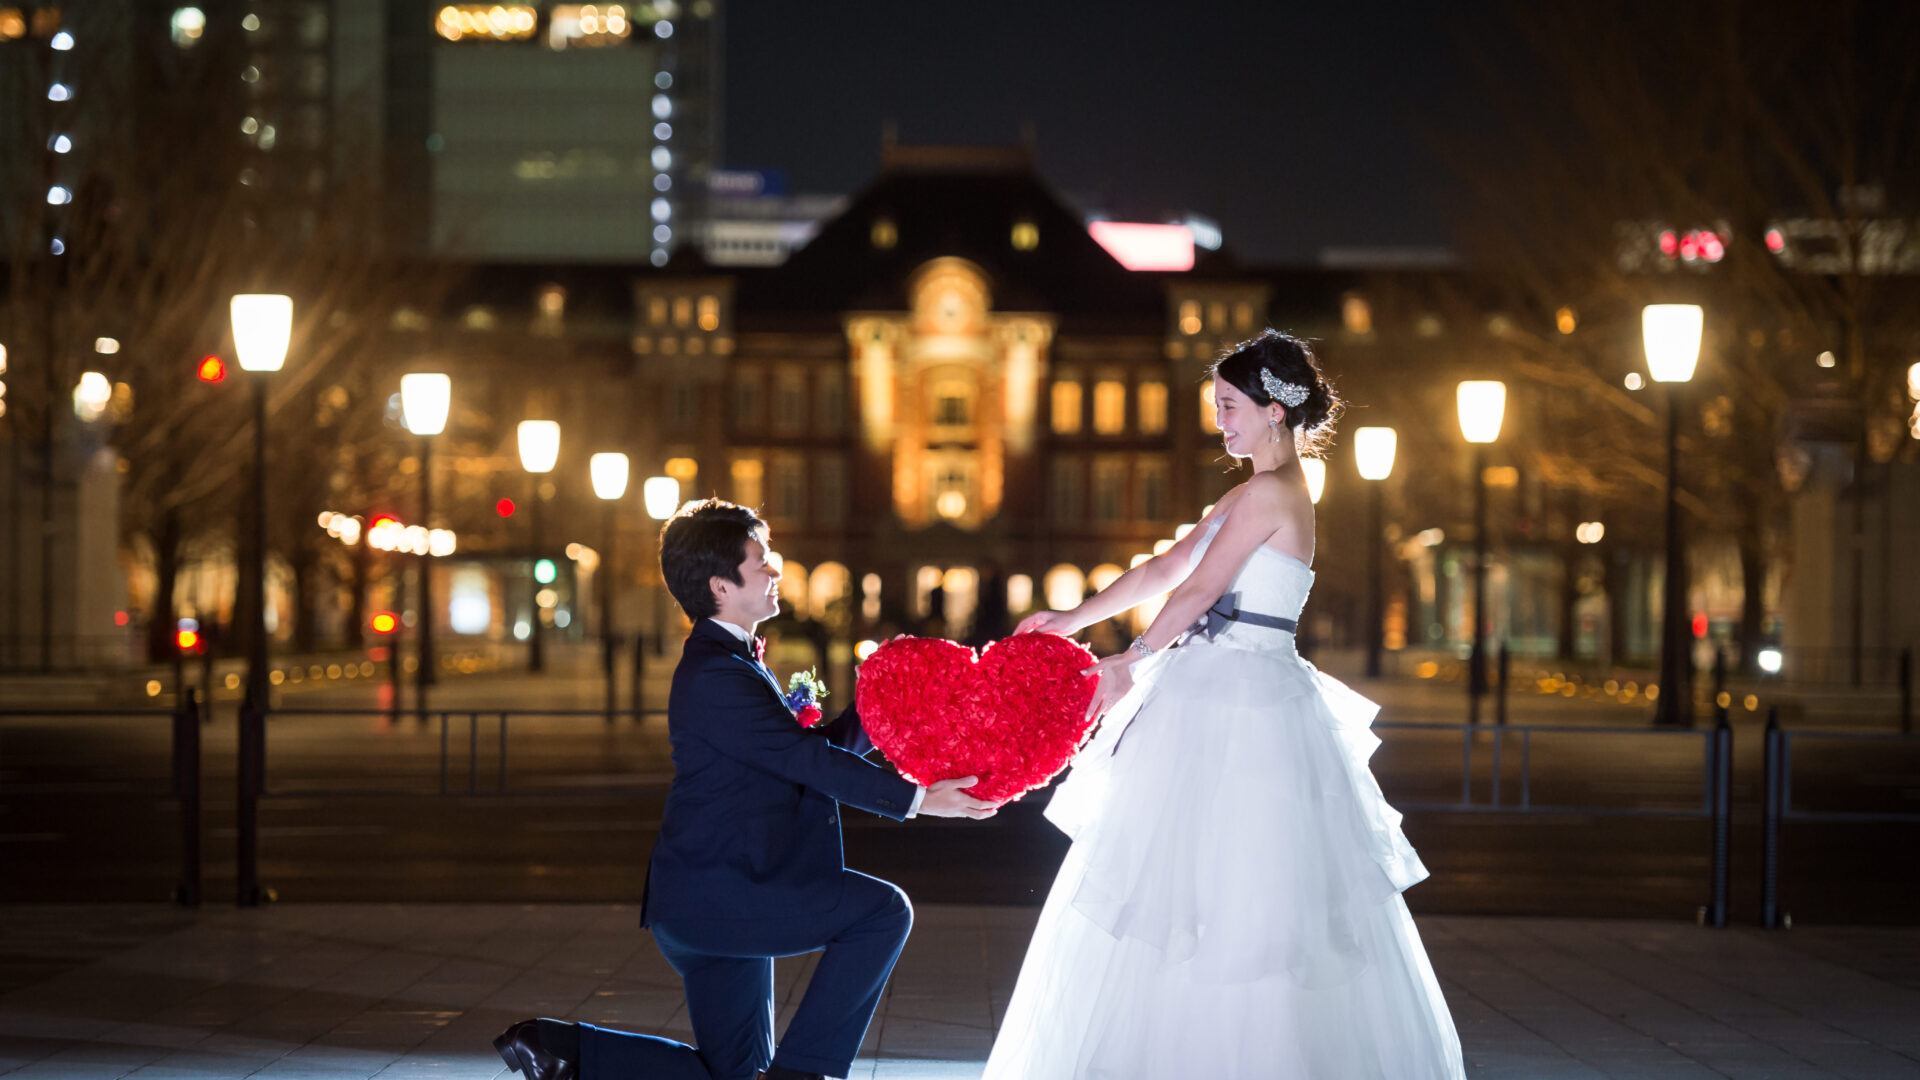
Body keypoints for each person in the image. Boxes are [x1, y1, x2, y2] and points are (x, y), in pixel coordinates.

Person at [984, 330, 1466, 1079]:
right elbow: (1168, 566)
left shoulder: (1275, 492)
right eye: (1218, 407)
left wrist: (1131, 663)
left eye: (1231, 406)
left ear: (1276, 411)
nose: (1221, 422)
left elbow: (1201, 591)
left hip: (1245, 699)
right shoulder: (1249, 491)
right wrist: (1070, 620)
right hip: (1213, 688)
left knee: (1235, 879)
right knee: (1187, 875)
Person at [495, 499, 1000, 1080]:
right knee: (883, 912)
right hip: (724, 896)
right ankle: (804, 1075)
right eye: (761, 561)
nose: (775, 570)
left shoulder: (730, 664)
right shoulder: (716, 673)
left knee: (732, 1074)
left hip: (713, 901)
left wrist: (889, 699)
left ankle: (561, 1049)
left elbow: (801, 758)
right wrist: (918, 798)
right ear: (719, 584)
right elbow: (800, 756)